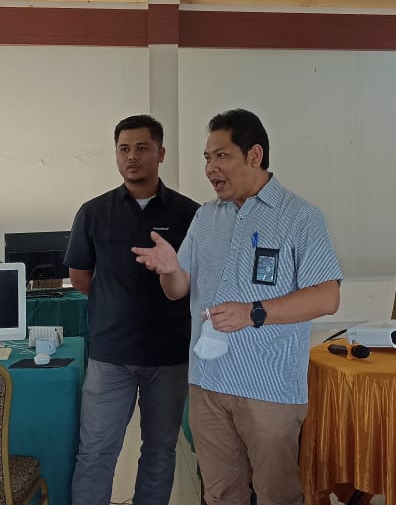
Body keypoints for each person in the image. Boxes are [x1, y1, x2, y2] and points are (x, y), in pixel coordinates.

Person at [133, 108, 343, 505]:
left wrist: (252, 312)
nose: (210, 168)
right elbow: (178, 290)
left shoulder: (300, 217)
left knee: (277, 495)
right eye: (207, 158)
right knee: (220, 494)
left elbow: (326, 296)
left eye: (221, 156)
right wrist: (169, 269)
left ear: (254, 155)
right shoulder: (205, 217)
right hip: (208, 383)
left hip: (269, 387)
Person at [66, 115, 200, 505]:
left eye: (142, 148)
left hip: (169, 354)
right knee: (96, 451)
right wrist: (117, 305)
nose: (132, 157)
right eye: (124, 149)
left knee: (160, 451)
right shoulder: (93, 212)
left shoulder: (190, 214)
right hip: (111, 355)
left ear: (161, 153)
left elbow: (195, 279)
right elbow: (80, 276)